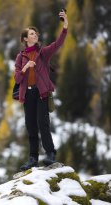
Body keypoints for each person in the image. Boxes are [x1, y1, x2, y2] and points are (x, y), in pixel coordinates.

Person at [14, 10, 68, 171]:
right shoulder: (20, 57)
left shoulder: (43, 53)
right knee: (30, 125)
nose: (35, 34)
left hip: (41, 93)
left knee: (43, 124)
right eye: (31, 33)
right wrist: (25, 67)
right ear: (25, 39)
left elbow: (58, 43)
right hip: (27, 94)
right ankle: (33, 158)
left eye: (35, 32)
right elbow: (17, 79)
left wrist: (65, 26)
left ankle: (50, 154)